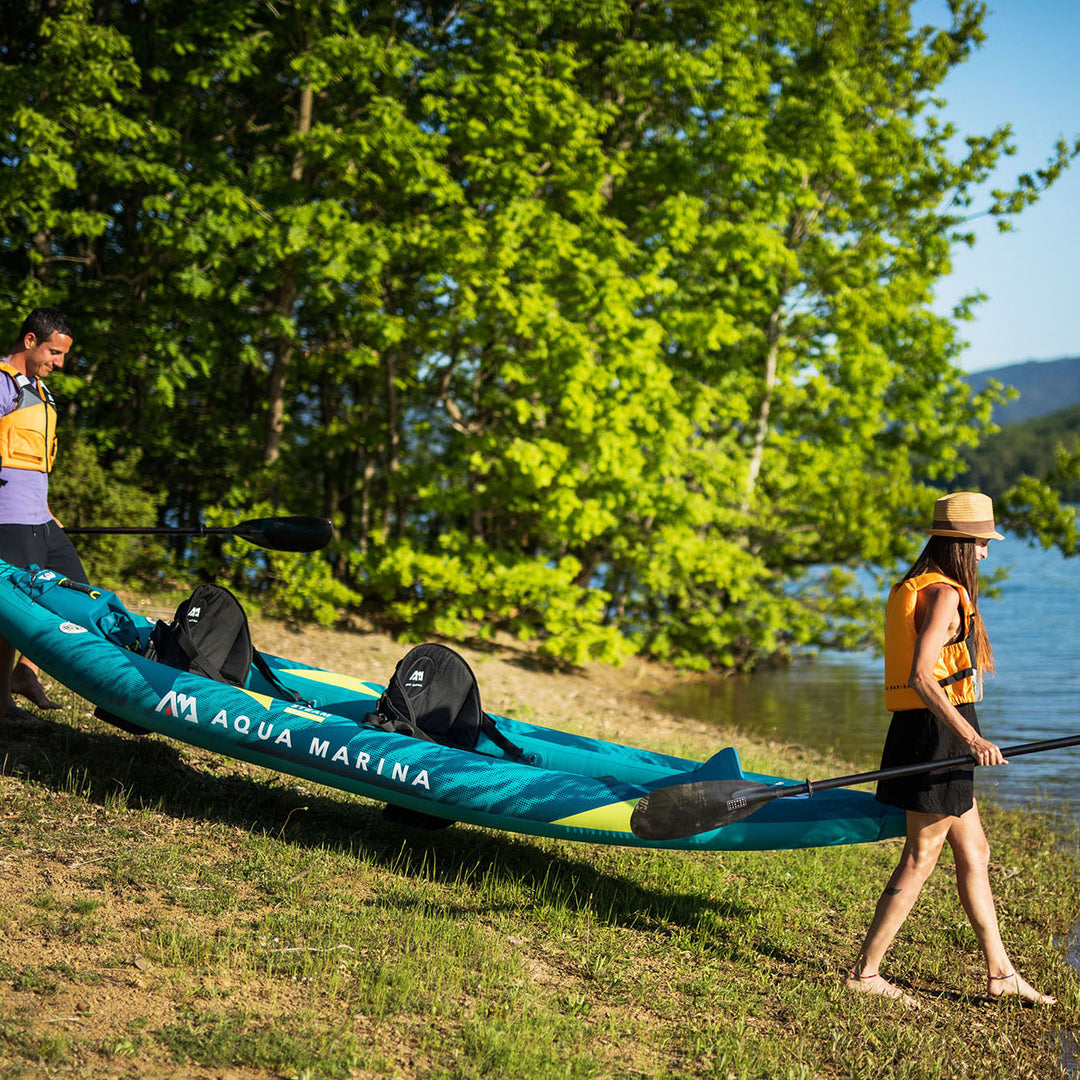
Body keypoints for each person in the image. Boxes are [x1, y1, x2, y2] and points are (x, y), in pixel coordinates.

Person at [846, 491, 1055, 1008]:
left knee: (976, 851)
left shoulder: (918, 585)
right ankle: (865, 973)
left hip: (934, 728)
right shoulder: (942, 594)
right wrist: (971, 738)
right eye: (982, 543)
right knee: (922, 855)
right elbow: (921, 676)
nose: (985, 553)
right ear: (961, 543)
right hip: (937, 732)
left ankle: (1001, 973)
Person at [0, 307, 88, 721]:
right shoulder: (2, 383)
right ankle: (2, 701)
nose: (59, 363)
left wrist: (48, 510)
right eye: (54, 352)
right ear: (30, 341)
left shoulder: (38, 389)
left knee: (75, 594)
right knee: (12, 612)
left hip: (39, 519)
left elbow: (33, 461)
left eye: (63, 356)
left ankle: (25, 672)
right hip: (8, 519)